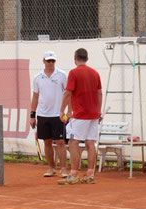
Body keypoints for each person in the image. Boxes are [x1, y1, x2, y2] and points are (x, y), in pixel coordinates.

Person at [58, 48, 102, 185]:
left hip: (80, 115)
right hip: (93, 114)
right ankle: (90, 175)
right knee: (90, 143)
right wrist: (98, 111)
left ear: (75, 58)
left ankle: (74, 175)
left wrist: (61, 111)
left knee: (73, 142)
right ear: (87, 58)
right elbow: (99, 93)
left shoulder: (73, 72)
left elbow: (67, 93)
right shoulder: (95, 73)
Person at [30, 50, 71, 178]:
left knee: (60, 142)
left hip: (58, 115)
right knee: (47, 142)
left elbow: (68, 93)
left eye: (53, 60)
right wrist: (32, 115)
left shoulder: (62, 75)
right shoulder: (37, 77)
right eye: (48, 60)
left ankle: (63, 168)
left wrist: (69, 111)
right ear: (44, 61)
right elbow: (35, 96)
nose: (51, 63)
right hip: (42, 115)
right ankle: (51, 168)